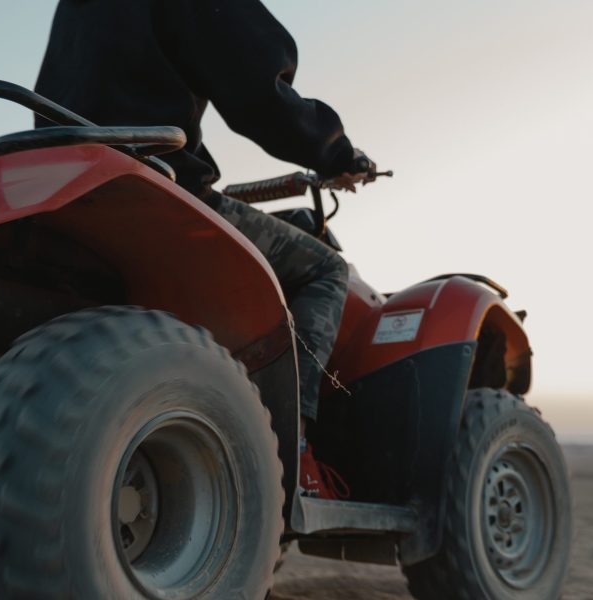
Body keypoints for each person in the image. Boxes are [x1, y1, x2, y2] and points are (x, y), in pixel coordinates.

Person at [35, 0, 376, 500]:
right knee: (325, 269)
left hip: (57, 179)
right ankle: (291, 452)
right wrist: (337, 153)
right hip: (146, 183)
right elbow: (259, 89)